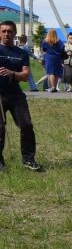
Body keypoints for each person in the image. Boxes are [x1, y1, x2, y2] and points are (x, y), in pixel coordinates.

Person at [0, 21, 42, 171]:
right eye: (4, 31)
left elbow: (25, 75)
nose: (6, 34)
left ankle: (29, 159)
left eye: (10, 31)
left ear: (14, 33)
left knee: (27, 125)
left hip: (16, 95)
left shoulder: (21, 53)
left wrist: (12, 73)